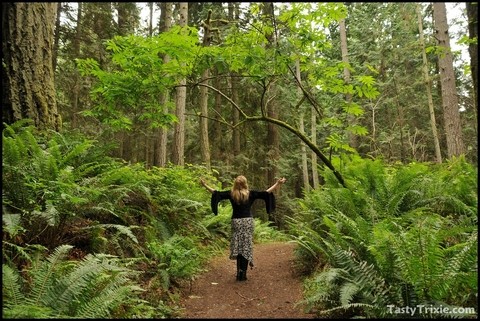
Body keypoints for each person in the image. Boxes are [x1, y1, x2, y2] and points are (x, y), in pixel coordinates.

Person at [200, 175, 286, 281]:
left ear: (235, 184)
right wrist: (278, 183)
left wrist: (204, 185)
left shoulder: (231, 194)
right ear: (245, 183)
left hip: (236, 222)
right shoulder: (251, 193)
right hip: (247, 222)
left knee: (238, 246)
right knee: (246, 245)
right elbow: (266, 192)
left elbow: (215, 193)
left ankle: (238, 273)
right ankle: (243, 273)